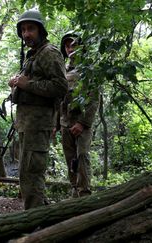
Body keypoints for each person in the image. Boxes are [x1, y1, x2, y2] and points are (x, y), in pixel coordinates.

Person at [8, 9, 68, 209]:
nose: (26, 34)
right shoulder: (33, 56)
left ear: (40, 30)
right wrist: (17, 83)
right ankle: (37, 212)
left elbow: (61, 87)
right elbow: (31, 82)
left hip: (38, 122)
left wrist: (27, 84)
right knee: (27, 171)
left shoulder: (49, 53)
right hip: (26, 123)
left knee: (32, 172)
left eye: (31, 29)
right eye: (23, 30)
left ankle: (34, 221)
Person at [57, 31, 98, 197]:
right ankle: (75, 190)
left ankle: (84, 193)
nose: (69, 48)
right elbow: (58, 100)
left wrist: (82, 123)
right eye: (67, 46)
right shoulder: (62, 70)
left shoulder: (89, 69)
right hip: (65, 123)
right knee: (70, 159)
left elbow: (94, 99)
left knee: (82, 156)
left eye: (73, 45)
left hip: (81, 124)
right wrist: (56, 124)